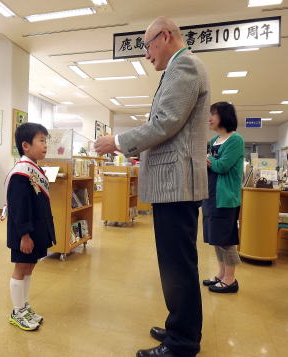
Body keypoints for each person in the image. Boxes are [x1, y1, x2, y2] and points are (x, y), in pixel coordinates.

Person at [95, 16, 210, 357]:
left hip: (177, 185)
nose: (146, 54)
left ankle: (182, 342)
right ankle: (180, 326)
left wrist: (117, 141)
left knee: (178, 266)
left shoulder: (184, 66)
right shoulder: (175, 70)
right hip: (172, 185)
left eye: (147, 45)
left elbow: (166, 122)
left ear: (164, 36)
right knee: (175, 263)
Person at [5, 123, 56, 331]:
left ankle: (24, 306)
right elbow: (19, 207)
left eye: (46, 141)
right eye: (41, 141)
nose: (45, 145)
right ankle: (17, 311)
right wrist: (24, 235)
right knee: (21, 267)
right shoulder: (21, 173)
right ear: (26, 145)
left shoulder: (35, 168)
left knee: (30, 266)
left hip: (36, 229)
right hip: (24, 231)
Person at [202, 102, 245, 294]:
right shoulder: (213, 140)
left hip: (226, 197)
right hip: (210, 195)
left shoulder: (236, 140)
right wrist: (208, 161)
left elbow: (222, 166)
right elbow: (210, 164)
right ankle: (221, 273)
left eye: (213, 114)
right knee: (215, 238)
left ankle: (231, 278)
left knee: (226, 239)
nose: (209, 118)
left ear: (224, 116)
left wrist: (207, 160)